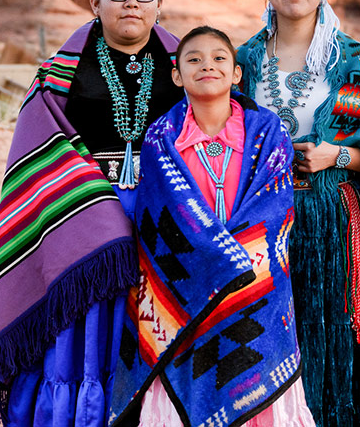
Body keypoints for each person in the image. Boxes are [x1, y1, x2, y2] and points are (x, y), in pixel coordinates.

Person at [0, 0, 184, 426]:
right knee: (83, 330)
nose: (131, 2)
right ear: (95, 2)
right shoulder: (59, 72)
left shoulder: (184, 66)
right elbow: (38, 146)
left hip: (164, 217)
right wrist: (100, 209)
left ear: (158, 3)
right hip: (80, 217)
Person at [236, 0, 360, 427]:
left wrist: (333, 154)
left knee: (334, 341)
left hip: (334, 225)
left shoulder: (357, 62)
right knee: (263, 346)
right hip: (259, 225)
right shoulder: (242, 62)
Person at [107, 27, 315, 427]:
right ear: (177, 75)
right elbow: (160, 223)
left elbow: (272, 210)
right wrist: (215, 264)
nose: (208, 65)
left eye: (219, 58)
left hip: (255, 289)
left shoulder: (268, 132)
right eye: (194, 59)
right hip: (182, 291)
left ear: (237, 73)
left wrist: (230, 265)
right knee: (183, 383)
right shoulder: (160, 139)